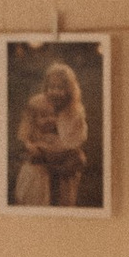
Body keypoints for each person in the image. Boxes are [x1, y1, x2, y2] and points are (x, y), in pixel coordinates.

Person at [14, 52, 89, 206]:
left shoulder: (74, 111)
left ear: (70, 90)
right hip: (39, 156)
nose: (55, 92)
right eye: (51, 87)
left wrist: (58, 124)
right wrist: (32, 145)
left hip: (62, 159)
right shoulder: (36, 104)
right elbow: (25, 132)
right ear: (46, 87)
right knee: (34, 182)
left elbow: (73, 141)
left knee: (63, 193)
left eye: (61, 88)